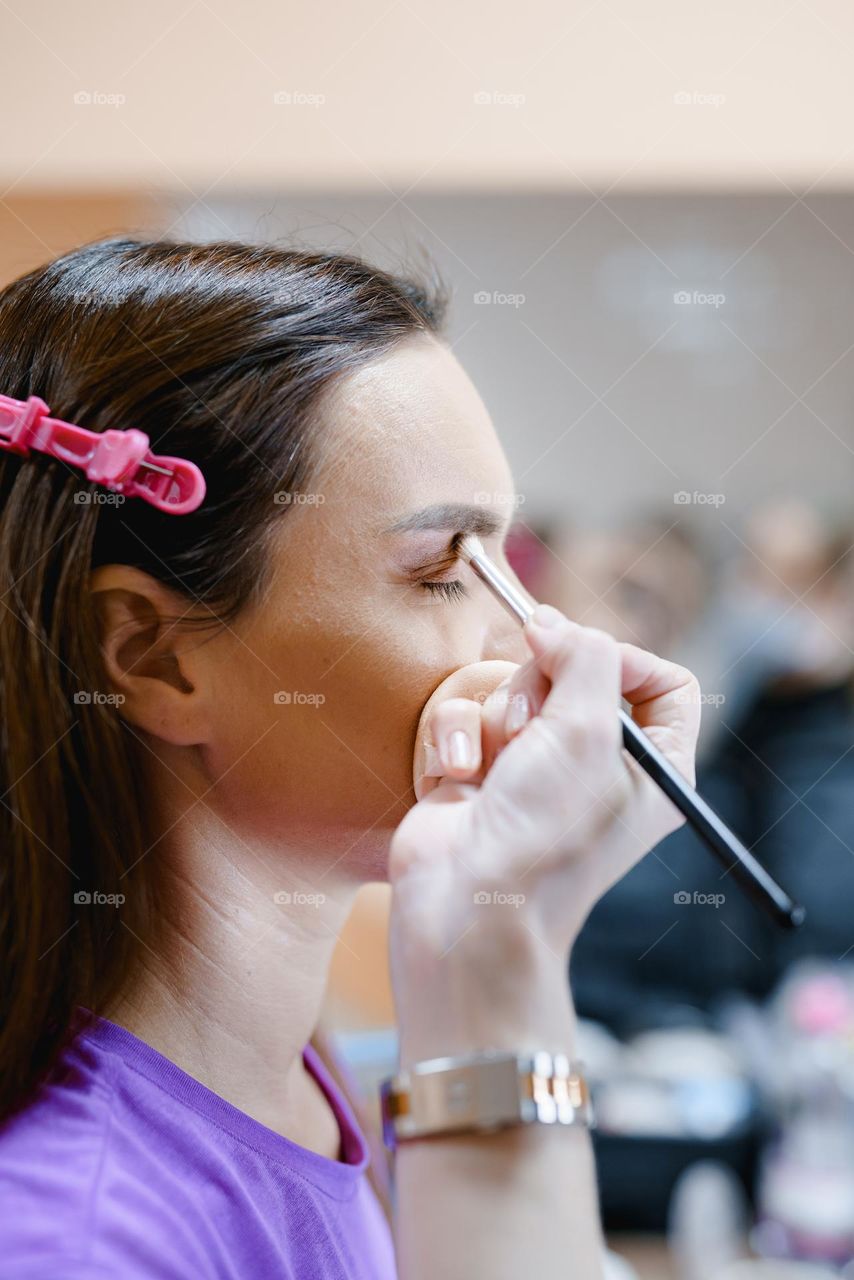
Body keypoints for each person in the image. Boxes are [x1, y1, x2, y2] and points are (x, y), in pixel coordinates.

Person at [0, 237, 701, 1279]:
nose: (533, 639)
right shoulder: (72, 1240)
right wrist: (492, 956)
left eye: (507, 565)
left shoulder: (295, 1085)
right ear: (153, 656)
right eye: (442, 569)